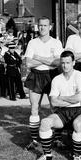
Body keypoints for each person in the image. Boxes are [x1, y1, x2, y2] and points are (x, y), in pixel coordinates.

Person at [34, 50, 81, 160]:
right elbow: (53, 101)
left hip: (79, 110)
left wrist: (62, 98)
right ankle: (47, 154)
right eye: (62, 63)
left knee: (78, 124)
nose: (65, 65)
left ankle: (77, 156)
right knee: (45, 123)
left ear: (73, 63)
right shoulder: (57, 79)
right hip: (62, 112)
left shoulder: (79, 75)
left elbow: (79, 98)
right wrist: (68, 100)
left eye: (68, 62)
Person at [23, 17, 63, 151]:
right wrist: (48, 60)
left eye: (45, 25)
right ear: (37, 26)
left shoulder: (56, 42)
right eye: (40, 25)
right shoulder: (32, 42)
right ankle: (34, 140)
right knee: (34, 108)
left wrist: (38, 57)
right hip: (35, 75)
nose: (42, 28)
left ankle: (57, 138)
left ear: (50, 27)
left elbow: (57, 62)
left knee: (55, 107)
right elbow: (28, 63)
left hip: (52, 75)